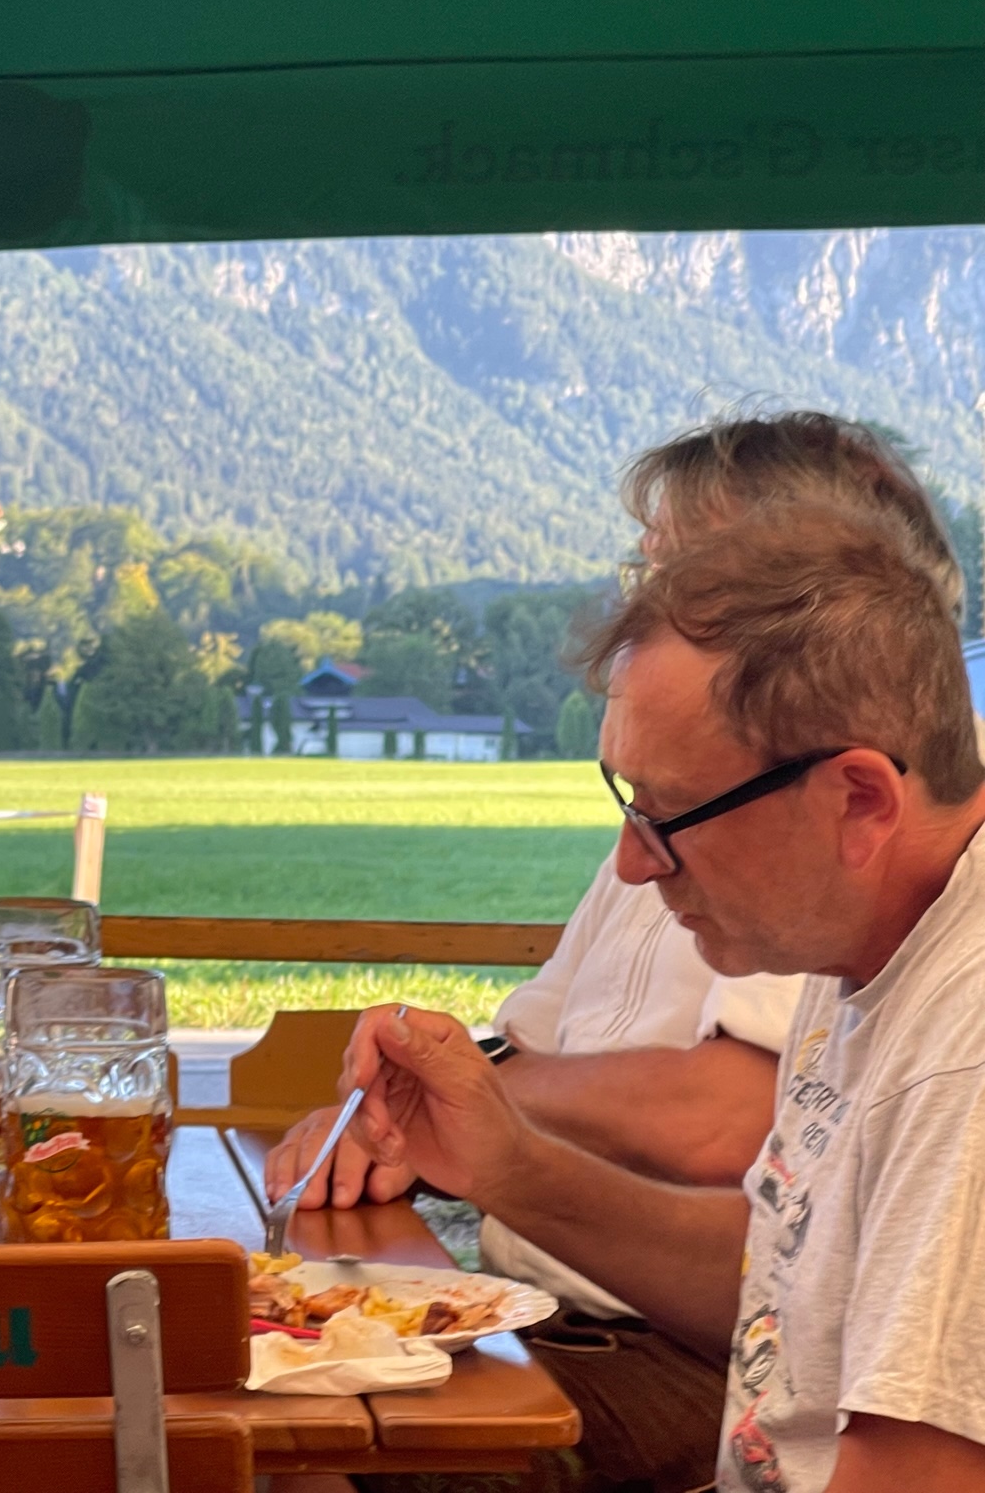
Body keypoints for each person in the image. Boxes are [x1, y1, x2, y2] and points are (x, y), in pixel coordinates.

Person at [265, 415, 970, 1489]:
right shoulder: (865, 947)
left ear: (860, 800)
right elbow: (778, 1301)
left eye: (669, 815)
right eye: (627, 802)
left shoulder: (960, 1053)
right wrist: (507, 1166)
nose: (634, 865)